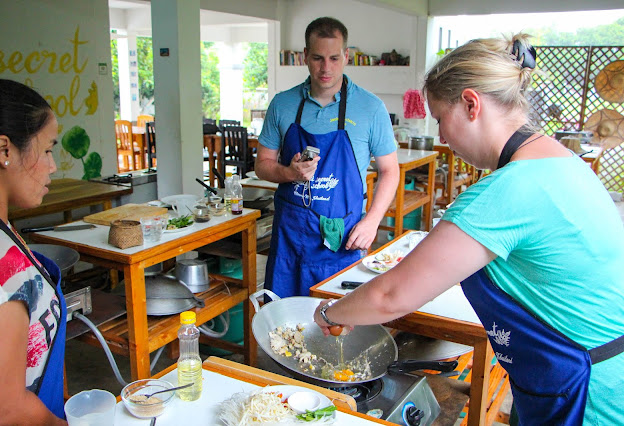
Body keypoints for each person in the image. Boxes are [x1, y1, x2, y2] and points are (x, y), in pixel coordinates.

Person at [314, 34, 624, 424]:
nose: (442, 136)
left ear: (471, 104)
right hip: (596, 374)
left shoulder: (508, 189)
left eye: (442, 119)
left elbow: (393, 295)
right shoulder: (564, 162)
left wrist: (329, 313)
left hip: (586, 396)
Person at [255, 17, 399, 297]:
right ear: (305, 57)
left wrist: (371, 221)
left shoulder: (370, 108)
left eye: (334, 58)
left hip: (343, 238)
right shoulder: (282, 105)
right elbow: (262, 165)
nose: (326, 68)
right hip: (290, 238)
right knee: (285, 324)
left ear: (346, 56)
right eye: (318, 58)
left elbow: (390, 171)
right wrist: (289, 173)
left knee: (339, 325)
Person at [0, 79, 67, 424]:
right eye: (47, 149)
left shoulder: (0, 229)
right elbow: (6, 411)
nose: (53, 166)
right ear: (5, 150)